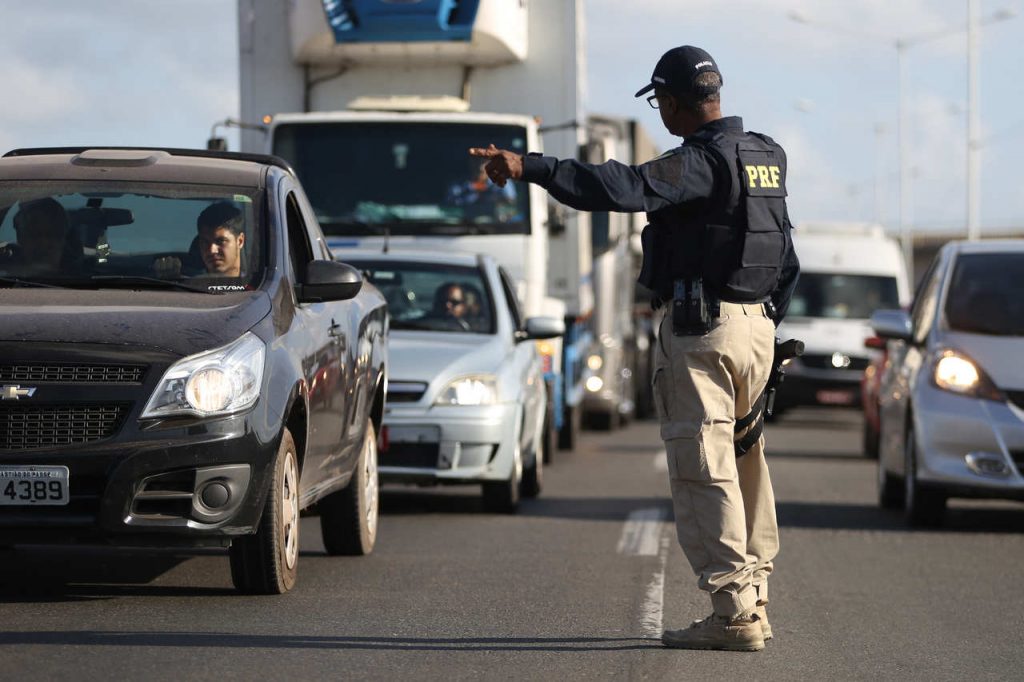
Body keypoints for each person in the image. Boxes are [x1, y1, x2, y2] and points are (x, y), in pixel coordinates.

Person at [469, 45, 800, 652]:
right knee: (747, 462)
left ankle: (734, 612)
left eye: (661, 105)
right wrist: (767, 323)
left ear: (672, 101)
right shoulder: (765, 156)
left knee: (704, 467)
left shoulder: (700, 161)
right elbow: (785, 251)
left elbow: (620, 187)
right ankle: (755, 598)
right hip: (758, 329)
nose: (663, 116)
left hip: (706, 333)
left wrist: (530, 167)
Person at [154, 201, 246, 279]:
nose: (211, 250)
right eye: (205, 242)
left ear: (240, 241)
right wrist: (170, 283)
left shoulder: (257, 287)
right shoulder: (186, 288)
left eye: (221, 241)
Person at [0, 198, 77, 276]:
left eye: (51, 235)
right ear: (20, 238)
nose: (43, 243)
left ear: (63, 241)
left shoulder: (84, 281)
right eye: (35, 235)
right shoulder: (5, 277)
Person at [446, 159, 518, 222]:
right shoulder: (458, 186)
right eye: (476, 161)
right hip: (463, 226)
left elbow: (512, 205)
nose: (480, 166)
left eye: (483, 161)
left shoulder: (502, 182)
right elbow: (448, 209)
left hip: (496, 227)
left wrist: (496, 200)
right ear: (471, 163)